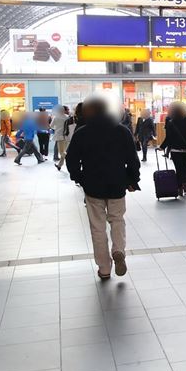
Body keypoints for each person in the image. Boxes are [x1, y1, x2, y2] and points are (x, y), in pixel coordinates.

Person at [66, 97, 140, 280]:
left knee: (97, 227)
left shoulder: (83, 132)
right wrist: (132, 179)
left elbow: (71, 159)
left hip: (93, 186)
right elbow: (132, 159)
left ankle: (104, 268)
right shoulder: (122, 131)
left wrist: (79, 178)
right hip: (117, 184)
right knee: (117, 220)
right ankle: (118, 250)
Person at [160, 102, 186, 196]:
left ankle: (179, 187)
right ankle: (185, 185)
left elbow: (169, 138)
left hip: (175, 150)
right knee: (185, 168)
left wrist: (162, 147)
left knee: (178, 168)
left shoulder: (171, 123)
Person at [50, 105, 70, 171]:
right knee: (64, 151)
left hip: (59, 136)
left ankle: (70, 159)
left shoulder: (56, 117)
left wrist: (56, 128)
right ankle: (59, 165)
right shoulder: (67, 117)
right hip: (67, 136)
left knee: (62, 152)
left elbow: (51, 126)